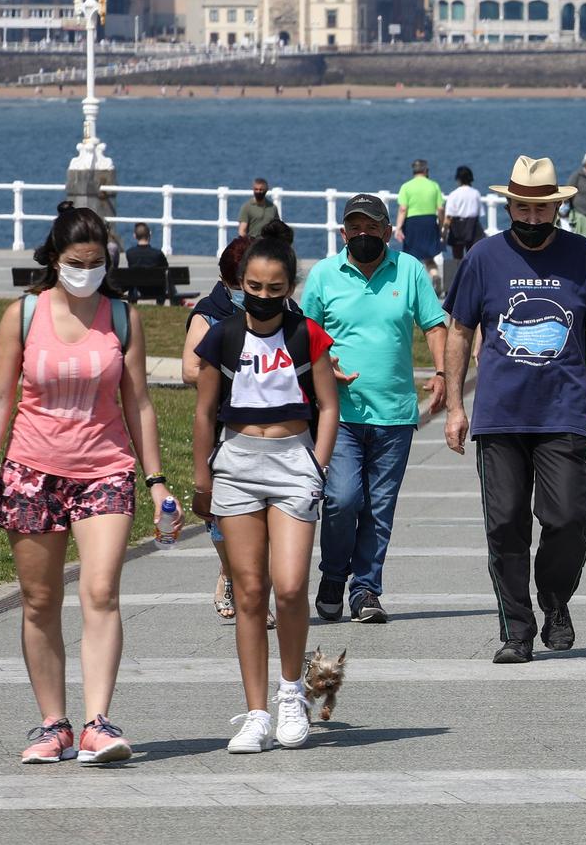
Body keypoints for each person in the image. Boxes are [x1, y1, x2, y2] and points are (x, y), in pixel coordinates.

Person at [0, 204, 165, 765]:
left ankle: (99, 722)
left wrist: (156, 482)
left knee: (101, 592)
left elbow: (139, 401)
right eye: (77, 262)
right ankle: (53, 725)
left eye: (98, 262)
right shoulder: (23, 316)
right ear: (54, 259)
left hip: (106, 470)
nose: (87, 271)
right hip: (30, 471)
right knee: (39, 600)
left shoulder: (122, 317)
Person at [442, 155, 586, 664]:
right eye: (521, 209)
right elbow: (460, 331)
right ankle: (517, 632)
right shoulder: (482, 258)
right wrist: (456, 406)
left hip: (563, 413)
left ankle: (554, 599)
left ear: (555, 208)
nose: (529, 219)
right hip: (499, 417)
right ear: (510, 206)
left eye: (539, 210)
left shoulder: (580, 256)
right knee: (504, 526)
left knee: (570, 520)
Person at [190, 237, 341, 753]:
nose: (262, 295)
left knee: (292, 584)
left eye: (274, 288)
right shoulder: (223, 337)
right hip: (235, 464)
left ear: (289, 288)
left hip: (293, 460)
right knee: (250, 591)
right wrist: (202, 480)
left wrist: (316, 466)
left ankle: (291, 694)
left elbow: (328, 405)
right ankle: (256, 713)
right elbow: (203, 412)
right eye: (253, 286)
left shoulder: (307, 335)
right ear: (240, 284)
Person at [301, 193, 449, 625]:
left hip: (396, 415)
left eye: (373, 227)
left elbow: (435, 325)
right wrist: (323, 362)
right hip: (339, 415)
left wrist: (441, 374)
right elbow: (304, 331)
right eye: (356, 228)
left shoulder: (410, 270)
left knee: (379, 508)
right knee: (343, 499)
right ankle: (332, 575)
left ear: (388, 231)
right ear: (343, 232)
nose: (364, 235)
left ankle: (365, 589)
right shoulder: (325, 275)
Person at [184, 236, 270, 627]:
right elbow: (189, 368)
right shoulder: (209, 312)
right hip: (224, 426)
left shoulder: (280, 307)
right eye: (242, 284)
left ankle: (256, 594)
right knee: (223, 514)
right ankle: (229, 571)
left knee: (267, 515)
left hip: (273, 428)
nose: (249, 291)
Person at [395, 159, 445, 281]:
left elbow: (402, 209)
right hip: (430, 222)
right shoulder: (434, 185)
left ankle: (412, 283)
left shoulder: (406, 186)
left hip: (412, 223)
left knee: (411, 257)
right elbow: (440, 208)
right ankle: (435, 275)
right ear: (426, 170)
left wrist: (398, 228)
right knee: (429, 257)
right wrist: (441, 225)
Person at [122, 222, 172, 305]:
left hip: (138, 288)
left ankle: (133, 304)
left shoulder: (130, 253)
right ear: (150, 234)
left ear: (135, 236)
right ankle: (159, 305)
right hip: (156, 289)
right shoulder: (157, 253)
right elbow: (166, 267)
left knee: (132, 278)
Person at [443, 165, 484, 264]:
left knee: (457, 258)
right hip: (472, 227)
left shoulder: (454, 194)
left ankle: (458, 276)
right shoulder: (476, 193)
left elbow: (449, 216)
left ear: (458, 179)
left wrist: (444, 233)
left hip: (456, 227)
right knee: (473, 256)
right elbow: (479, 213)